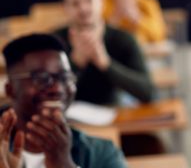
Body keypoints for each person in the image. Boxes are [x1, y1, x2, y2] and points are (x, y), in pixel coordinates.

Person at [1, 34, 128, 168]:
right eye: (41, 78)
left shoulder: (101, 152)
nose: (57, 89)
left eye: (65, 77)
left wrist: (63, 164)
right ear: (11, 90)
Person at [53, 0, 153, 105]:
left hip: (114, 117)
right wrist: (76, 62)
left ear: (102, 1)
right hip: (68, 118)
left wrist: (105, 63)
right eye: (75, 3)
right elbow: (47, 94)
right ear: (64, 8)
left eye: (89, 0)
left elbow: (147, 92)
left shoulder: (124, 39)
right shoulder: (54, 42)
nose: (83, 8)